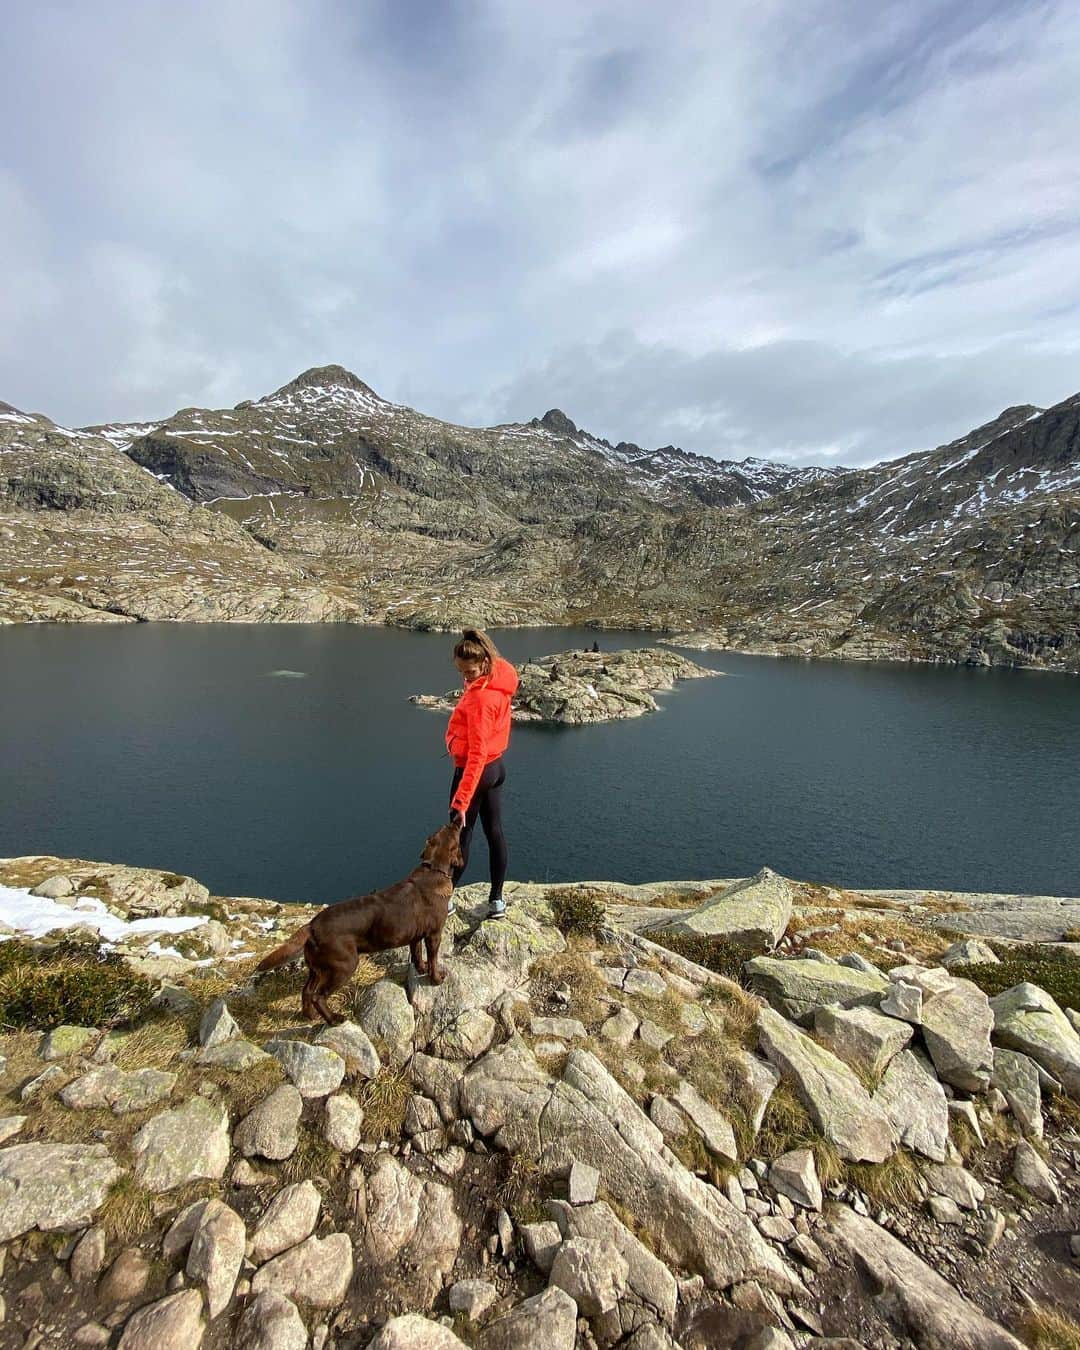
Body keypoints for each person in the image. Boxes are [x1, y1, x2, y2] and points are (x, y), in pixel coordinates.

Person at [446, 628, 518, 917]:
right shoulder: (499, 677)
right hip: (496, 768)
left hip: (475, 771)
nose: (466, 677)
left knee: (459, 835)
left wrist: (461, 801)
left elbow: (476, 754)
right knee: (495, 831)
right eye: (462, 672)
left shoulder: (480, 701)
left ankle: (445, 901)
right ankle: (497, 901)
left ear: (484, 663)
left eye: (470, 671)